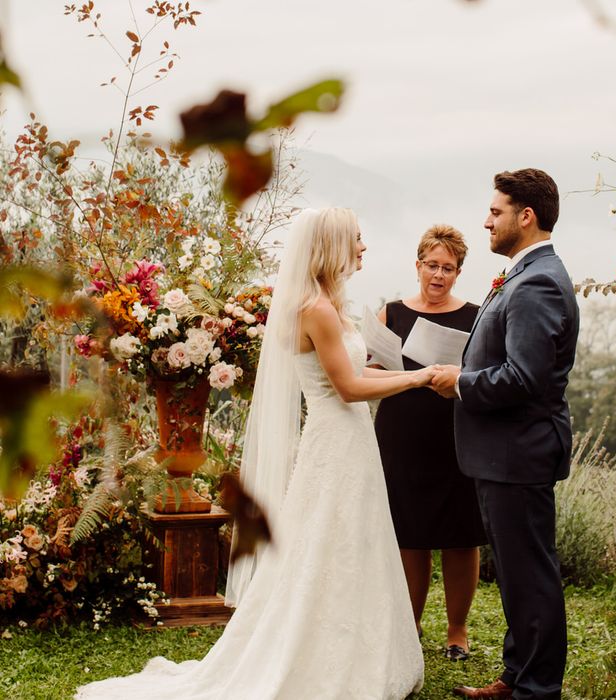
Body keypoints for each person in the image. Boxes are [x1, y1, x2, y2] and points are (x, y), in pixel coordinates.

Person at [76, 208, 433, 700]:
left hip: (351, 442)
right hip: (336, 440)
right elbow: (349, 388)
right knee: (326, 546)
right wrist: (417, 378)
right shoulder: (316, 309)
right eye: (356, 239)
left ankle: (359, 647)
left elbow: (359, 377)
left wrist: (412, 376)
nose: (364, 248)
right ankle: (323, 656)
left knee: (353, 541)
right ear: (332, 246)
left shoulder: (330, 304)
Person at [432, 169, 579, 700]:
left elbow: (526, 377)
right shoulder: (526, 272)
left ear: (526, 216)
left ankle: (537, 690)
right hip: (504, 454)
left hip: (519, 452)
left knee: (531, 576)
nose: (486, 220)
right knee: (518, 575)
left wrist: (460, 382)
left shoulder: (538, 280)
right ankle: (517, 676)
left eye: (495, 212)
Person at [373, 224, 486, 662]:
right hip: (401, 434)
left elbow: (484, 372)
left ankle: (457, 631)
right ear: (417, 265)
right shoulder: (392, 313)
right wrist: (408, 376)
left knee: (461, 536)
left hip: (457, 433)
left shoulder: (476, 315)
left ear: (458, 272)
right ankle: (411, 625)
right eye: (432, 266)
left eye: (449, 268)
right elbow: (369, 372)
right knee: (409, 534)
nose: (439, 275)